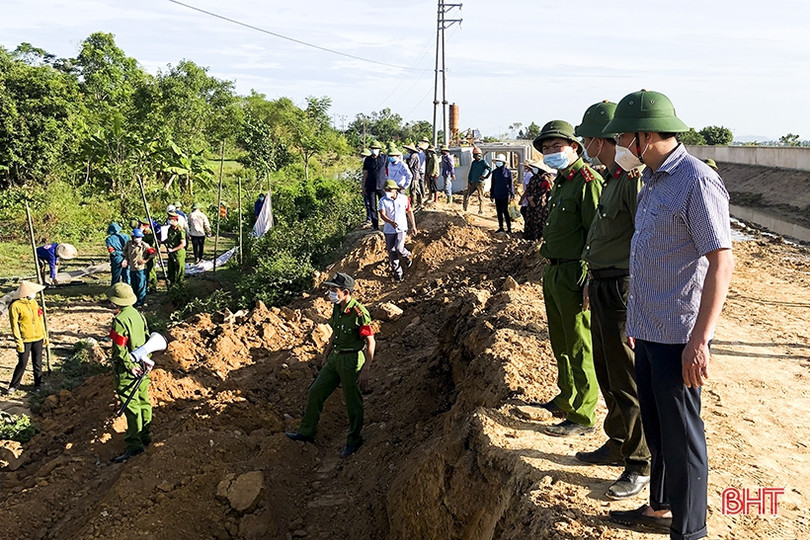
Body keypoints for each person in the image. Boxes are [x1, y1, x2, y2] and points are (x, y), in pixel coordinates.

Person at [604, 90, 734, 540]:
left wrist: (701, 339)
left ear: (645, 135)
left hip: (680, 332)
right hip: (648, 329)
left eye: (623, 137)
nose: (620, 145)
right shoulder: (654, 180)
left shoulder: (695, 180)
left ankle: (690, 527)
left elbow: (721, 261)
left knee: (682, 434)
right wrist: (637, 323)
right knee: (658, 429)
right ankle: (660, 507)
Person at [574, 99, 651, 500]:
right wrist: (591, 276)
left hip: (623, 288)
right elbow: (602, 238)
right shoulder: (613, 178)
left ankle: (639, 463)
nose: (587, 145)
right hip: (603, 284)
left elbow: (643, 240)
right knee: (605, 368)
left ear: (603, 141)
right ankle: (618, 440)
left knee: (626, 377)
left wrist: (638, 295)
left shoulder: (634, 180)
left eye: (591, 139)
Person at [533, 120, 603, 436]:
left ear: (574, 147)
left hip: (575, 272)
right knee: (560, 340)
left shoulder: (587, 181)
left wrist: (589, 277)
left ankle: (583, 414)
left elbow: (596, 234)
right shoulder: (561, 181)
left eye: (555, 147)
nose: (550, 153)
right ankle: (566, 398)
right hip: (555, 270)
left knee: (579, 343)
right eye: (546, 148)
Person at [285, 272, 375, 458]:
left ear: (345, 292)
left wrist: (366, 369)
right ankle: (306, 432)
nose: (330, 293)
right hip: (335, 358)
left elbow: (371, 342)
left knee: (352, 402)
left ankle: (354, 440)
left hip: (351, 361)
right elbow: (334, 333)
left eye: (333, 290)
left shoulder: (359, 313)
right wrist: (326, 353)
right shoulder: (337, 308)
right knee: (315, 391)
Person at [107, 282, 153, 463]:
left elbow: (119, 348)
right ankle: (145, 436)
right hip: (143, 366)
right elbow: (148, 339)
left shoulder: (119, 321)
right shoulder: (138, 315)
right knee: (143, 402)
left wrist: (128, 365)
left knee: (132, 408)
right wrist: (146, 359)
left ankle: (134, 445)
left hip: (128, 371)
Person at [7, 280, 47, 395]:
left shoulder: (34, 303)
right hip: (25, 339)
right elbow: (14, 326)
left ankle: (38, 384)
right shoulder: (15, 306)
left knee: (38, 363)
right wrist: (18, 341)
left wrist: (44, 335)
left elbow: (40, 320)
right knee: (22, 363)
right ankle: (13, 385)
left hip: (38, 338)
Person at [378, 179, 418, 282]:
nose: (387, 191)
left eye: (389, 189)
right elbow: (382, 214)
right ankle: (398, 272)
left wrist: (413, 226)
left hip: (401, 228)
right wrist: (390, 222)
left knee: (399, 248)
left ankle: (407, 254)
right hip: (389, 230)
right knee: (391, 251)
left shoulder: (404, 199)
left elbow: (409, 211)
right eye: (386, 189)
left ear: (395, 190)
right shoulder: (383, 200)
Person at [123, 229, 157, 307]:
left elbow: (153, 253)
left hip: (141, 269)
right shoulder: (128, 244)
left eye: (139, 237)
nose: (138, 238)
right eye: (136, 237)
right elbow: (125, 251)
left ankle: (140, 302)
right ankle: (134, 300)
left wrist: (145, 260)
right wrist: (127, 259)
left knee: (141, 286)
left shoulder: (144, 245)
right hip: (132, 268)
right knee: (134, 285)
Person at [522, 162, 553, 241]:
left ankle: (539, 237)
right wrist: (529, 198)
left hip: (540, 203)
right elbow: (528, 188)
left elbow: (545, 190)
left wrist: (534, 197)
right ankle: (529, 237)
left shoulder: (545, 179)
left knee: (539, 220)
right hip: (531, 202)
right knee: (530, 219)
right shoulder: (533, 178)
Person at [362, 140, 388, 230]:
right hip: (370, 186)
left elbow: (389, 170)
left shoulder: (384, 158)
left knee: (385, 205)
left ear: (379, 149)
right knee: (372, 207)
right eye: (373, 148)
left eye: (376, 148)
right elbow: (365, 173)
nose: (374, 150)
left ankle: (387, 224)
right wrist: (363, 186)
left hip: (382, 186)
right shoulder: (368, 160)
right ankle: (375, 226)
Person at [489, 153, 514, 233]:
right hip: (497, 194)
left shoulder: (508, 172)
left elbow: (511, 184)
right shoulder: (495, 172)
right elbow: (493, 184)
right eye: (497, 161)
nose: (498, 163)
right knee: (499, 211)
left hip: (505, 194)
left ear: (503, 162)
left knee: (505, 211)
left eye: (499, 161)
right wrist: (492, 194)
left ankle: (509, 228)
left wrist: (512, 193)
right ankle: (501, 227)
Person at [463, 147, 492, 214]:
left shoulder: (483, 162)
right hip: (473, 182)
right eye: (474, 155)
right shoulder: (474, 163)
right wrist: (469, 181)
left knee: (480, 197)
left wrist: (485, 176)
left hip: (480, 182)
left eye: (475, 155)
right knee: (466, 194)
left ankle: (481, 210)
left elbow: (490, 169)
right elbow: (471, 172)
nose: (474, 156)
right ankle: (464, 208)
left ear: (479, 155)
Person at [164, 211, 187, 286]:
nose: (169, 221)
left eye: (170, 220)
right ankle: (172, 285)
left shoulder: (180, 230)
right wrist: (162, 242)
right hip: (171, 253)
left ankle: (179, 286)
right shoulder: (170, 229)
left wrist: (173, 250)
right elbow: (169, 239)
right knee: (171, 269)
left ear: (175, 220)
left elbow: (183, 244)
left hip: (178, 253)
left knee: (179, 269)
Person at [138, 218, 159, 293]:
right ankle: (144, 286)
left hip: (149, 254)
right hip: (141, 254)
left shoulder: (150, 234)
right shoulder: (139, 232)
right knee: (143, 271)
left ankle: (152, 287)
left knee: (150, 271)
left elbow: (152, 247)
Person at [404, 143, 424, 207]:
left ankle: (413, 204)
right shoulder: (415, 155)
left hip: (414, 175)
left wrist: (407, 160)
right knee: (417, 189)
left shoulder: (413, 156)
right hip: (416, 175)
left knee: (413, 190)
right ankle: (419, 202)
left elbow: (410, 164)